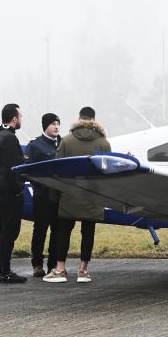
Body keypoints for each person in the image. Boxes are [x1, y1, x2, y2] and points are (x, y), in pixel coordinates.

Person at [44, 107, 111, 284]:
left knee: (63, 232)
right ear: (95, 120)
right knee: (88, 232)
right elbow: (107, 173)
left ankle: (59, 270)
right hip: (93, 196)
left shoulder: (66, 141)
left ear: (79, 119)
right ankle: (83, 270)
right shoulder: (104, 143)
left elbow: (57, 171)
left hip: (69, 195)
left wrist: (55, 196)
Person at [0, 103, 27, 283]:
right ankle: (5, 271)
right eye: (20, 116)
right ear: (14, 118)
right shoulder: (10, 138)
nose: (21, 120)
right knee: (10, 231)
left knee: (1, 229)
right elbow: (14, 168)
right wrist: (19, 189)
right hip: (8, 190)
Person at [26, 113, 61, 277]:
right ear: (45, 126)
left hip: (59, 196)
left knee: (57, 231)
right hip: (42, 196)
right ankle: (37, 264)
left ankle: (53, 264)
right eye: (53, 124)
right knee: (40, 230)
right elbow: (29, 171)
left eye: (58, 124)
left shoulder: (62, 144)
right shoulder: (35, 146)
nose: (56, 127)